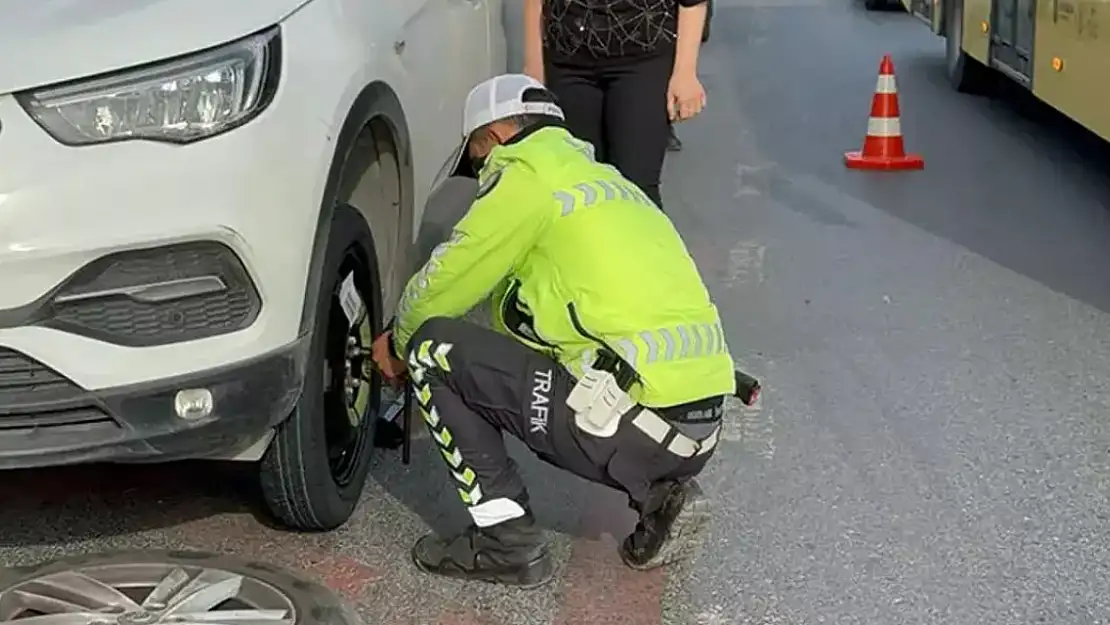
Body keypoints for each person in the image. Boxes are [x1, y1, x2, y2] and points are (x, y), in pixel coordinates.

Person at [371, 74, 737, 587]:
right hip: (698, 429)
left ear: (494, 135)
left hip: (637, 423)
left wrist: (397, 341)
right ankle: (663, 499)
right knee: (562, 369)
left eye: (476, 157)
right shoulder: (607, 183)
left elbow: (444, 283)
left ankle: (506, 544)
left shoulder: (525, 178)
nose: (479, 173)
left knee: (432, 348)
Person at [521, 0, 710, 207]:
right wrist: (534, 66)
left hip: (643, 59)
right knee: (577, 183)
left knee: (636, 185)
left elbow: (693, 3)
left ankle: (641, 238)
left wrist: (685, 72)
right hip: (566, 60)